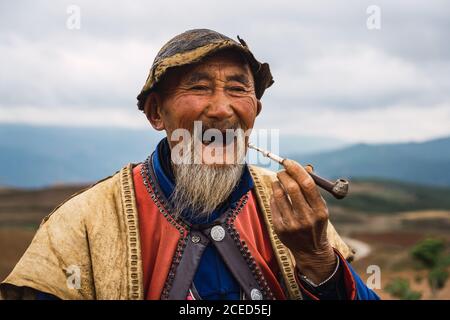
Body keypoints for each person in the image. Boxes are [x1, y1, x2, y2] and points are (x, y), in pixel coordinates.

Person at [0, 29, 379, 300]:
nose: (221, 109)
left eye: (237, 88)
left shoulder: (296, 215)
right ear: (155, 113)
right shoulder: (79, 225)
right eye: (198, 87)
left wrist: (316, 260)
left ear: (255, 113)